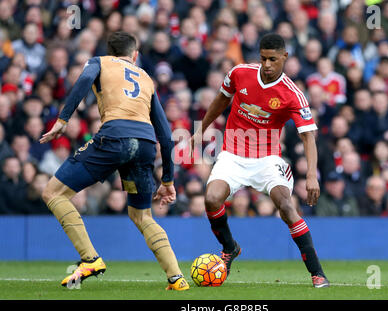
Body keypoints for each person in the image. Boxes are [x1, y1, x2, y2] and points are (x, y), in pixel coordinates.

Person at [39, 31, 189, 291]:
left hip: (114, 139)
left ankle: (90, 259)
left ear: (110, 52)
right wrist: (168, 180)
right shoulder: (146, 78)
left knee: (53, 193)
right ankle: (177, 279)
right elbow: (165, 135)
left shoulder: (99, 62)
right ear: (135, 55)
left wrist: (62, 120)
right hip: (144, 145)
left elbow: (85, 79)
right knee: (142, 216)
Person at [190, 33, 329, 288]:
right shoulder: (239, 73)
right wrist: (200, 130)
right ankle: (229, 247)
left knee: (286, 207)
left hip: (267, 159)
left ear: (284, 57)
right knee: (210, 199)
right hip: (232, 153)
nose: (267, 65)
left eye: (273, 59)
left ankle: (317, 272)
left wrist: (311, 176)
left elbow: (309, 138)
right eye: (263, 58)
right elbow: (221, 100)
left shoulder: (292, 95)